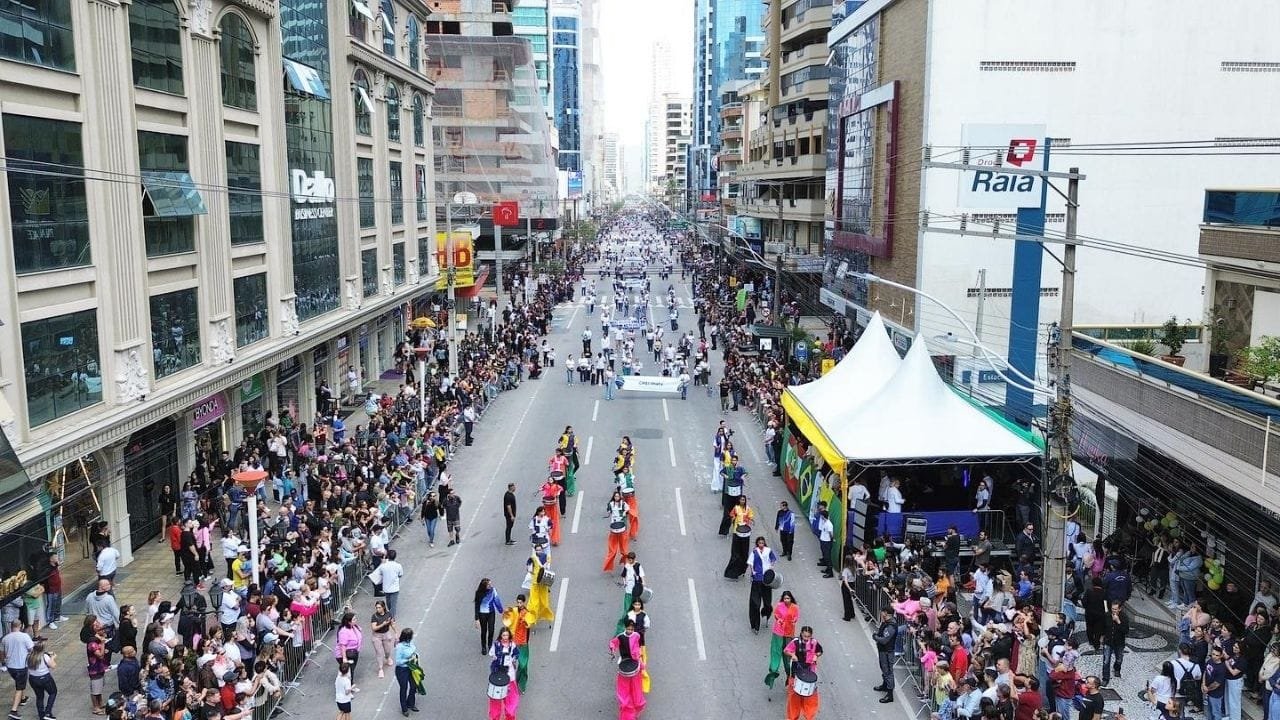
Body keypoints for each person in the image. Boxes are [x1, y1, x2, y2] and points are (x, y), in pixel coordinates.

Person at [609, 619, 646, 720]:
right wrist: (612, 650)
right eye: (628, 628)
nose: (630, 630)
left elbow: (637, 649)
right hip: (625, 664)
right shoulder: (620, 637)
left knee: (636, 691)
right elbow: (613, 643)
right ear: (625, 628)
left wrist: (639, 661)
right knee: (624, 693)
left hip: (634, 666)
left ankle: (635, 712)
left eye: (631, 629)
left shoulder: (636, 636)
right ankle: (628, 715)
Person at [784, 626, 823, 720]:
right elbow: (786, 651)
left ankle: (809, 716)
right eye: (804, 636)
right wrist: (792, 655)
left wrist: (816, 656)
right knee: (794, 697)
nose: (806, 638)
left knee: (810, 697)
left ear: (811, 636)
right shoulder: (795, 642)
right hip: (796, 671)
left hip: (809, 671)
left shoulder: (814, 643)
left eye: (808, 637)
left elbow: (820, 651)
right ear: (801, 633)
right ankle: (793, 717)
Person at [765, 591, 799, 688]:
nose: (786, 600)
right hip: (778, 632)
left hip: (789, 633)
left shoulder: (795, 607)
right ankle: (773, 672)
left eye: (788, 598)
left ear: (791, 599)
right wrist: (778, 619)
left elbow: (796, 617)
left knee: (787, 656)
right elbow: (776, 615)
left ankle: (789, 675)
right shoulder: (779, 605)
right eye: (785, 598)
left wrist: (793, 621)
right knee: (776, 652)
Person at [502, 596, 535, 693]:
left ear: (524, 602)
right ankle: (511, 684)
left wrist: (526, 622)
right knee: (510, 664)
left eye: (521, 603)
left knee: (523, 665)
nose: (519, 604)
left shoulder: (527, 613)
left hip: (523, 642)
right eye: (518, 602)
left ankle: (521, 684)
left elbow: (530, 623)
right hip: (514, 642)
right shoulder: (514, 610)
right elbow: (507, 620)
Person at [2, 619, 32, 720]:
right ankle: (13, 711)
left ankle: (23, 699)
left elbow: (1, 652)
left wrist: (4, 661)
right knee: (19, 688)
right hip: (21, 666)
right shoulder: (24, 636)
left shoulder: (5, 638)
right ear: (21, 626)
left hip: (10, 666)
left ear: (11, 626)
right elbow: (31, 649)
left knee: (19, 682)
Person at [488, 628, 521, 720]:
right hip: (497, 676)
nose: (505, 637)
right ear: (501, 636)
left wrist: (512, 660)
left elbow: (516, 655)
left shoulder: (512, 645)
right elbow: (491, 653)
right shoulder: (496, 644)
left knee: (511, 700)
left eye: (507, 635)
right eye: (503, 635)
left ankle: (510, 717)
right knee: (495, 701)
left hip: (509, 676)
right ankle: (495, 717)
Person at [747, 536, 778, 634]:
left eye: (762, 543)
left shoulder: (768, 551)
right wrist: (753, 572)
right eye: (759, 543)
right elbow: (751, 563)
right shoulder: (754, 552)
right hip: (757, 580)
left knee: (767, 603)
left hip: (766, 580)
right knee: (755, 604)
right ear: (757, 544)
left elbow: (773, 559)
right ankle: (755, 625)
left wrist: (771, 567)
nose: (761, 544)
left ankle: (766, 614)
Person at [723, 496, 754, 580]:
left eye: (743, 500)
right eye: (741, 499)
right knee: (735, 553)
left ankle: (742, 570)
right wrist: (733, 519)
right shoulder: (736, 508)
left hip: (745, 533)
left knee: (744, 554)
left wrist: (749, 521)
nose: (742, 501)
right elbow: (731, 515)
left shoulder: (748, 509)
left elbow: (751, 517)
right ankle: (732, 573)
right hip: (737, 532)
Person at [25, 639, 55, 720]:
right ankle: (48, 712)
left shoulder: (29, 656)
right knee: (53, 693)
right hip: (45, 678)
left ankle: (41, 715)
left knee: (39, 696)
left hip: (33, 679)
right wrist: (52, 657)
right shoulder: (44, 657)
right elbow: (53, 666)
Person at [393, 628, 419, 717]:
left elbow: (414, 651)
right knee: (403, 688)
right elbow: (398, 661)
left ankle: (411, 703)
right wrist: (408, 660)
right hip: (402, 670)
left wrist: (416, 656)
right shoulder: (400, 647)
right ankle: (404, 708)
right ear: (408, 637)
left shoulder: (410, 643)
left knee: (414, 685)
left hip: (411, 667)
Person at [873, 607, 897, 703]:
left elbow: (884, 640)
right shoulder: (886, 622)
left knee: (888, 672)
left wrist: (875, 637)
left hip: (887, 651)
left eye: (882, 612)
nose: (881, 613)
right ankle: (885, 685)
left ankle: (890, 694)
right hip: (883, 650)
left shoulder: (891, 626)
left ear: (886, 613)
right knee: (884, 669)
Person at [474, 579, 504, 655]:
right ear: (484, 586)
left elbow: (497, 601)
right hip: (482, 614)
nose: (490, 586)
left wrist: (501, 610)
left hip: (491, 613)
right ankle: (483, 646)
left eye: (490, 584)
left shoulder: (493, 590)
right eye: (488, 585)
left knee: (491, 630)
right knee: (484, 631)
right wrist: (476, 619)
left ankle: (490, 644)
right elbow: (477, 606)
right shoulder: (478, 593)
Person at [603, 491, 631, 573]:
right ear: (613, 497)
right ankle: (608, 565)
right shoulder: (611, 504)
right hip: (614, 528)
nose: (616, 498)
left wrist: (624, 513)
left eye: (618, 496)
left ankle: (626, 564)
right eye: (615, 496)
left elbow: (628, 509)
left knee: (624, 549)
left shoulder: (623, 504)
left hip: (622, 529)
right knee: (612, 549)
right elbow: (608, 512)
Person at [334, 612, 364, 681]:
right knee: (348, 671)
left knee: (351, 670)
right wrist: (344, 658)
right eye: (354, 620)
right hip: (345, 654)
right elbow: (343, 645)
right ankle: (347, 686)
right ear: (349, 622)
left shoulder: (354, 627)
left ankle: (350, 684)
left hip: (353, 652)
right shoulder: (344, 631)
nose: (356, 620)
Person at [369, 600, 395, 680]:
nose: (377, 609)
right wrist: (383, 624)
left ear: (383, 607)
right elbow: (374, 628)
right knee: (379, 652)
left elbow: (392, 623)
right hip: (377, 636)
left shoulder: (388, 614)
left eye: (379, 607)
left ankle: (388, 657)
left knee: (387, 650)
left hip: (386, 633)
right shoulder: (374, 616)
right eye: (376, 608)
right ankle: (380, 669)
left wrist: (396, 632)